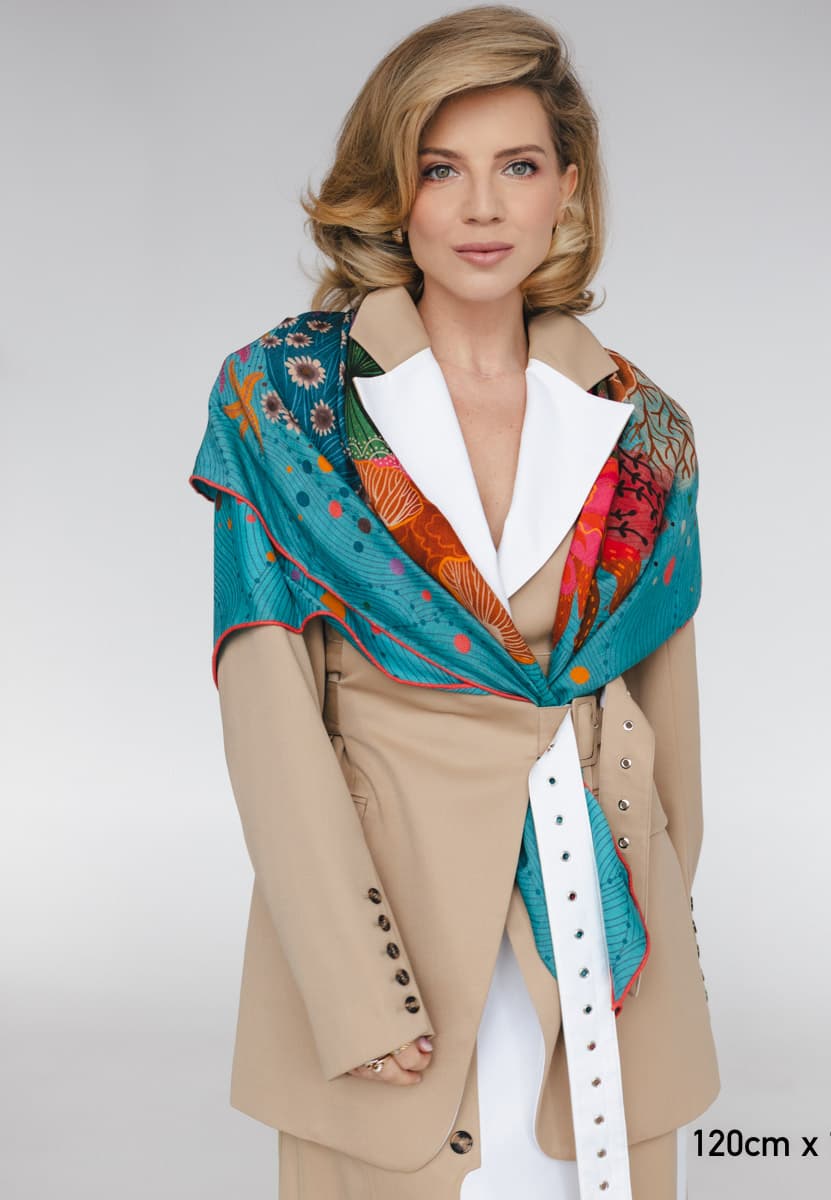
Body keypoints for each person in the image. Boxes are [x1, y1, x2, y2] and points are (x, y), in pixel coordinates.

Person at [189, 6, 720, 1197]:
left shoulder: (647, 429)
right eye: (441, 169)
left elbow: (670, 732)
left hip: (592, 934)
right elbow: (270, 715)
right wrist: (353, 987)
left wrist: (651, 941)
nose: (482, 207)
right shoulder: (285, 405)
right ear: (394, 191)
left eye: (517, 167)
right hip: (396, 933)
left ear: (566, 190)